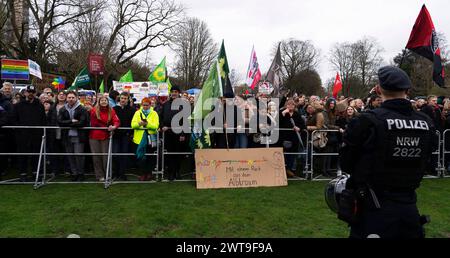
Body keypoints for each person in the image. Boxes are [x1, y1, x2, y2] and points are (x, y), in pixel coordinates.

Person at [340, 66, 435, 238]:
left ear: (378, 89)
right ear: (407, 90)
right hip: (409, 209)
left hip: (373, 209)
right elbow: (427, 157)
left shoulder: (366, 121)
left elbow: (346, 163)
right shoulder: (426, 122)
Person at [11, 85, 46, 181]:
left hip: (36, 135)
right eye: (29, 92)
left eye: (32, 92)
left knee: (36, 154)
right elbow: (14, 120)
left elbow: (43, 120)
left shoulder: (40, 106)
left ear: (35, 93)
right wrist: (19, 130)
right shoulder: (18, 105)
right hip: (22, 136)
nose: (30, 94)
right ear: (25, 92)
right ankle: (23, 174)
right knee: (23, 154)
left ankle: (36, 173)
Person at [57, 91, 90, 181]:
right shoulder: (63, 109)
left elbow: (82, 122)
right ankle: (74, 173)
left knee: (78, 156)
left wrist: (68, 123)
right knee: (70, 156)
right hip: (67, 136)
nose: (71, 99)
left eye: (72, 97)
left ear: (76, 98)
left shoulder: (82, 109)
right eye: (69, 97)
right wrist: (71, 121)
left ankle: (80, 174)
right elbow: (60, 122)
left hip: (79, 136)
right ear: (66, 98)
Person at [131, 97, 159, 181]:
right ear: (141, 105)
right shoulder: (137, 113)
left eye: (147, 105)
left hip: (151, 138)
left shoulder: (154, 113)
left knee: (150, 157)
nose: (145, 107)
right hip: (139, 139)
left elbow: (155, 126)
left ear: (150, 105)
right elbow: (133, 125)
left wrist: (146, 124)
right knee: (140, 157)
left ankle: (149, 173)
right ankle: (143, 173)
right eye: (144, 105)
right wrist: (139, 124)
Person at [113, 92, 135, 181]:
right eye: (122, 98)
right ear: (119, 98)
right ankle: (116, 172)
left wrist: (130, 133)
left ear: (128, 99)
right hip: (116, 135)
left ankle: (122, 173)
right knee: (115, 154)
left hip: (125, 136)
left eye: (125, 98)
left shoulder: (132, 110)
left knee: (124, 155)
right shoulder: (114, 109)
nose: (123, 100)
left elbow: (133, 122)